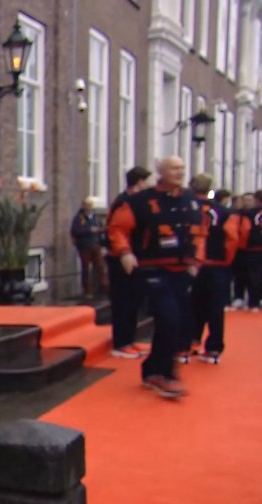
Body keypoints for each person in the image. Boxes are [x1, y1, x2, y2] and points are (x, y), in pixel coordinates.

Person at [107, 156, 205, 399]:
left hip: (181, 270)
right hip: (152, 269)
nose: (179, 172)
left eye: (182, 168)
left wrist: (197, 259)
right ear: (161, 171)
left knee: (177, 322)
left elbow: (201, 233)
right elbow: (117, 228)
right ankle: (166, 374)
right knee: (168, 318)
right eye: (174, 168)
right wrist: (125, 252)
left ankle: (153, 370)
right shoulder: (140, 201)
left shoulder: (192, 201)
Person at [188, 174, 239, 364]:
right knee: (215, 307)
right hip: (216, 263)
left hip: (190, 263)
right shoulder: (225, 212)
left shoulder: (186, 207)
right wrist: (226, 260)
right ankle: (214, 348)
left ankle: (188, 342)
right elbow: (232, 238)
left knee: (190, 304)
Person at [104, 166, 152, 359]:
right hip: (122, 259)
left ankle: (129, 339)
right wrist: (124, 252)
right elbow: (118, 230)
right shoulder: (126, 203)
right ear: (139, 182)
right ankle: (121, 342)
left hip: (134, 257)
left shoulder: (135, 202)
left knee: (133, 300)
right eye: (146, 181)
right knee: (124, 300)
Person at [71, 197, 107, 298]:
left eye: (90, 206)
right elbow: (75, 230)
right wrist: (89, 230)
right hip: (84, 246)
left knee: (100, 266)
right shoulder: (79, 218)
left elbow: (101, 229)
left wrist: (101, 238)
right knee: (86, 268)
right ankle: (87, 290)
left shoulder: (95, 217)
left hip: (96, 245)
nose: (88, 208)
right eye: (86, 206)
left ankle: (104, 288)